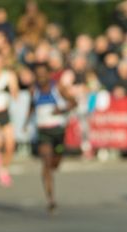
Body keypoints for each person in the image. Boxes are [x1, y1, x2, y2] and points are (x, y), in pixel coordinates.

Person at [28, 63, 76, 213]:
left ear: (49, 75)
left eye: (43, 74)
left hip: (58, 131)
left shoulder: (58, 88)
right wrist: (25, 123)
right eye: (38, 74)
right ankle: (51, 198)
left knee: (55, 163)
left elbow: (74, 102)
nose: (41, 77)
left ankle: (57, 158)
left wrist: (61, 109)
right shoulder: (33, 90)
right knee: (46, 164)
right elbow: (31, 107)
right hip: (43, 132)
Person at [0, 52, 19, 187]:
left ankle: (4, 170)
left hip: (4, 113)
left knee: (10, 144)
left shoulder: (9, 75)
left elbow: (15, 93)